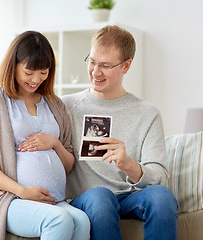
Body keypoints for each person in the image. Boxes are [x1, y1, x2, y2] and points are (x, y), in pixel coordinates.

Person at [0, 31, 90, 240]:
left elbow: (68, 165)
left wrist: (54, 143)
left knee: (82, 221)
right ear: (12, 65)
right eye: (29, 72)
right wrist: (22, 191)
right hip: (11, 199)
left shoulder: (56, 105)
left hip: (54, 200)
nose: (36, 79)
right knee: (59, 220)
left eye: (43, 72)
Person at [60, 25, 178, 240]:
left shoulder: (147, 113)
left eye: (105, 65)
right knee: (100, 197)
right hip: (89, 198)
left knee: (162, 197)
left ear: (126, 66)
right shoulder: (65, 107)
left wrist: (129, 165)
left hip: (130, 197)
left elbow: (160, 177)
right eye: (92, 61)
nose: (95, 72)